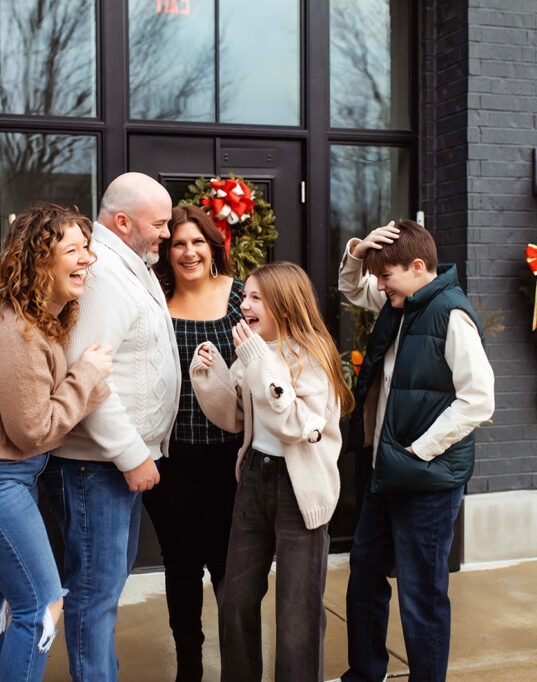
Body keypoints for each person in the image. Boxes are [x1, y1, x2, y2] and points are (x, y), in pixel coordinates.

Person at [0, 203, 114, 682]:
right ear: (40, 262)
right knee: (41, 605)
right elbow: (30, 431)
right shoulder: (21, 333)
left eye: (86, 248)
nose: (86, 260)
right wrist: (87, 381)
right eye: (72, 250)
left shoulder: (39, 319)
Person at [337, 219, 495, 682]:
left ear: (418, 267)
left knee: (422, 593)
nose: (379, 286)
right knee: (365, 577)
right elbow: (351, 287)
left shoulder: (451, 314)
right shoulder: (401, 300)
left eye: (386, 275)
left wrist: (419, 451)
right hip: (386, 472)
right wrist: (359, 249)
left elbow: (479, 399)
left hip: (424, 478)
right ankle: (366, 674)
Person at [190, 261, 354, 682]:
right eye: (244, 296)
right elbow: (237, 418)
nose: (244, 305)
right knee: (236, 600)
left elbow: (297, 426)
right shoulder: (255, 350)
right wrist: (210, 378)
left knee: (298, 611)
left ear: (284, 303)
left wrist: (259, 361)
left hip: (299, 488)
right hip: (254, 480)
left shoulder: (312, 354)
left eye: (256, 298)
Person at [46, 172, 181, 681]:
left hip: (111, 465)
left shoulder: (131, 265)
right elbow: (89, 377)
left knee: (101, 591)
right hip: (96, 466)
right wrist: (133, 455)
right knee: (93, 595)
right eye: (160, 223)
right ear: (122, 222)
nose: (167, 233)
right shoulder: (101, 276)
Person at [144, 204, 244, 681]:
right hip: (173, 461)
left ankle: (237, 665)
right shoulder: (154, 304)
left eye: (198, 241)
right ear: (166, 252)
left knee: (230, 567)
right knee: (181, 567)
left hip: (232, 459)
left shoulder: (242, 297)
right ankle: (189, 667)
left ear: (213, 245)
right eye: (178, 243)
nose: (189, 251)